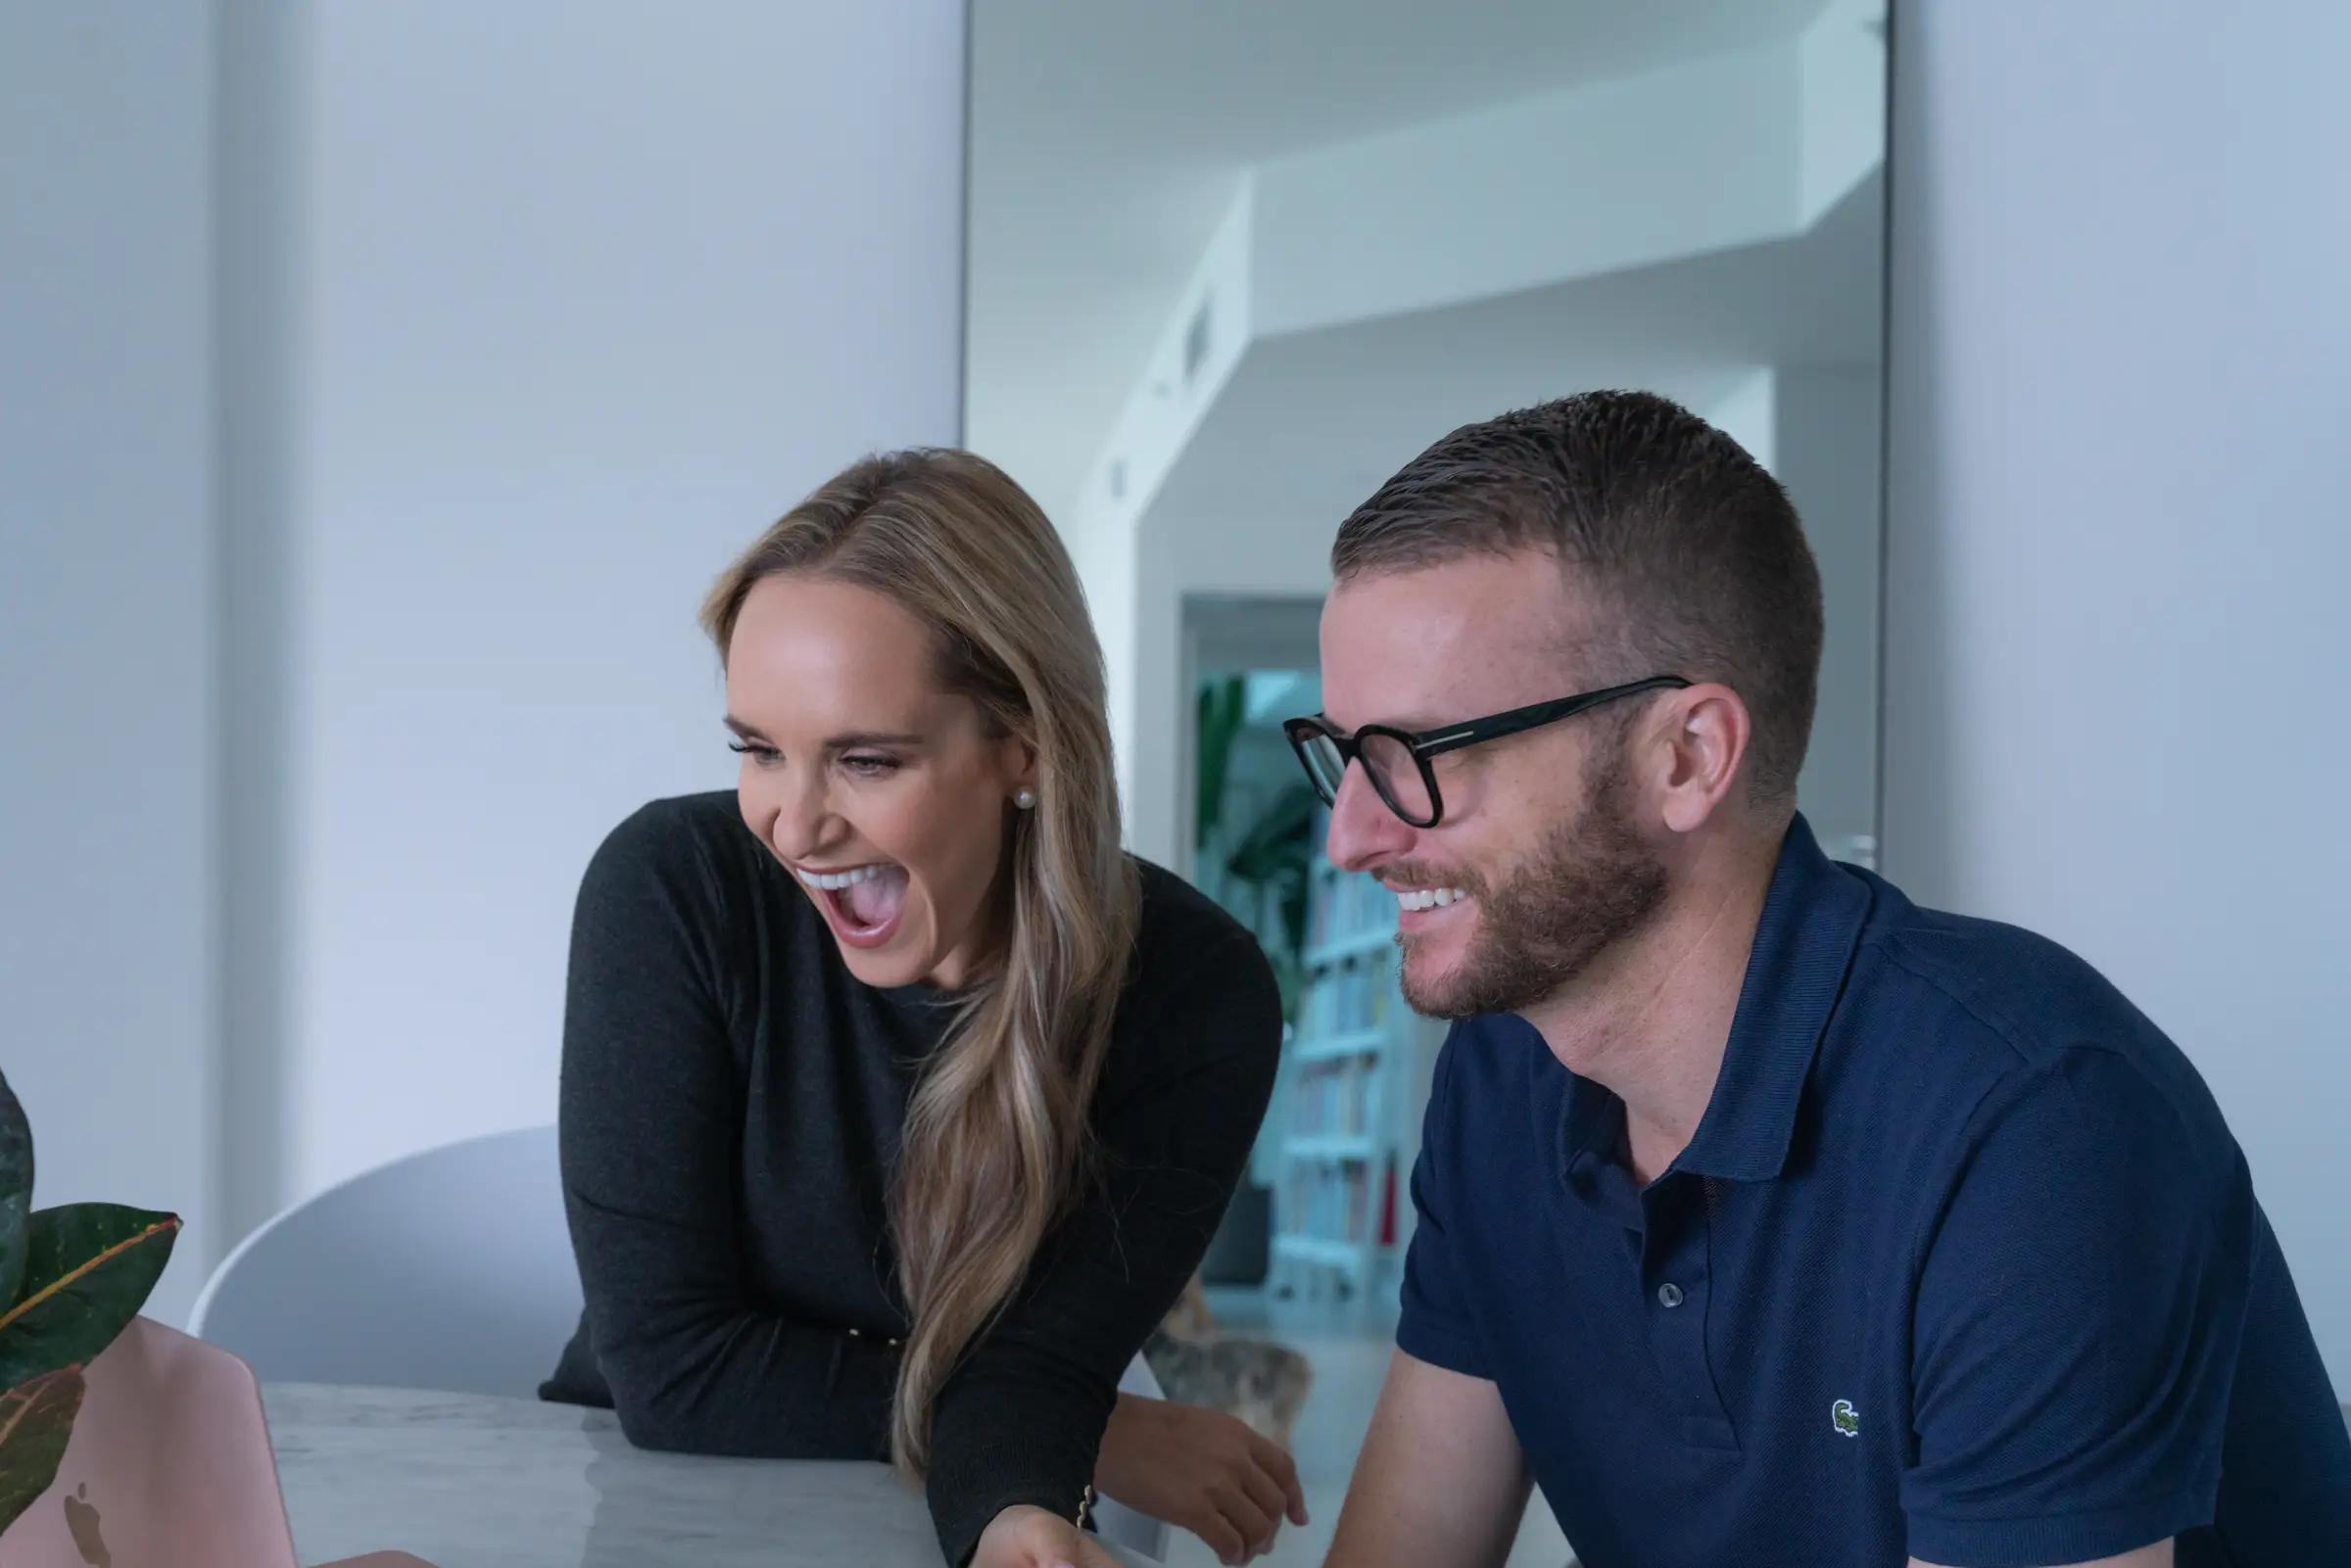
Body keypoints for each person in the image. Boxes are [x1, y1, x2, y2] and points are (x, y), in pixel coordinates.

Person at [1288, 393, 2351, 1568]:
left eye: (1417, 756)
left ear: (1686, 756)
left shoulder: (2037, 1125)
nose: (1351, 838)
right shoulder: (1503, 1075)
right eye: (1342, 754)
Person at [542, 449, 1308, 1568]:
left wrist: (1017, 1501)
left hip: (943, 1497)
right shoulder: (673, 887)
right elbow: (675, 1372)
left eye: (866, 759)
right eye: (758, 748)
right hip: (637, 1494)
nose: (794, 827)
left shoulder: (1195, 995)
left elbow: (1043, 1359)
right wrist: (1100, 1428)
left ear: (1025, 743)